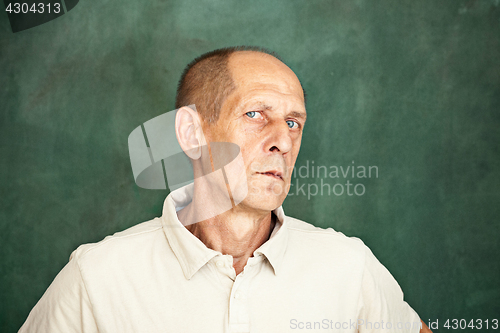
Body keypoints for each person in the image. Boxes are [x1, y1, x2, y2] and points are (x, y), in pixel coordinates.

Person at [19, 46, 432, 332]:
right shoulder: (98, 277)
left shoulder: (348, 266)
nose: (284, 142)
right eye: (256, 114)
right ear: (191, 132)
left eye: (293, 122)